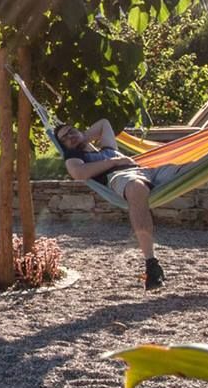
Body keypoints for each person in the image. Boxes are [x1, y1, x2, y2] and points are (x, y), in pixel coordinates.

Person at [52, 119, 168, 290]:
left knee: (190, 164)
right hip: (122, 177)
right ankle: (151, 263)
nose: (70, 137)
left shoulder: (108, 148)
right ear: (64, 146)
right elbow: (78, 172)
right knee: (136, 189)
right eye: (65, 138)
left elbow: (104, 124)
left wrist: (83, 137)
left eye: (71, 131)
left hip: (148, 170)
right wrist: (114, 162)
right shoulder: (74, 156)